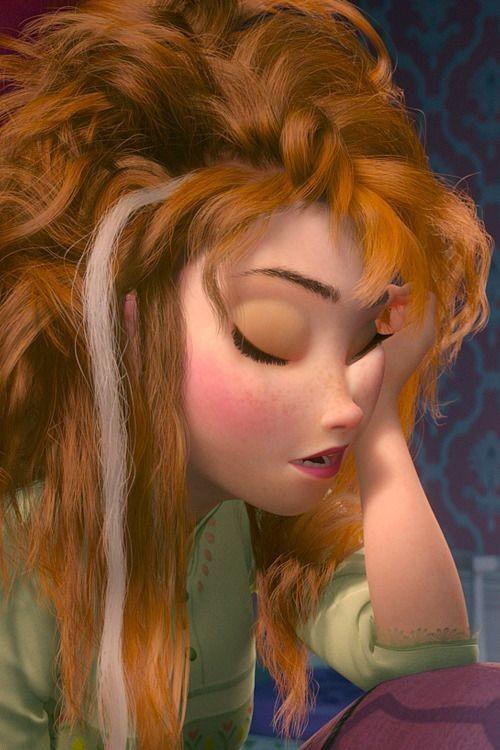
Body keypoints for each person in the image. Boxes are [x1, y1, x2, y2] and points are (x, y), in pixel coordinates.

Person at [0, 1, 492, 749]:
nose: (341, 403)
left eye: (364, 337)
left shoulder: (245, 518)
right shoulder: (26, 549)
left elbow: (428, 668)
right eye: (272, 337)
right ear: (134, 324)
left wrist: (383, 422)